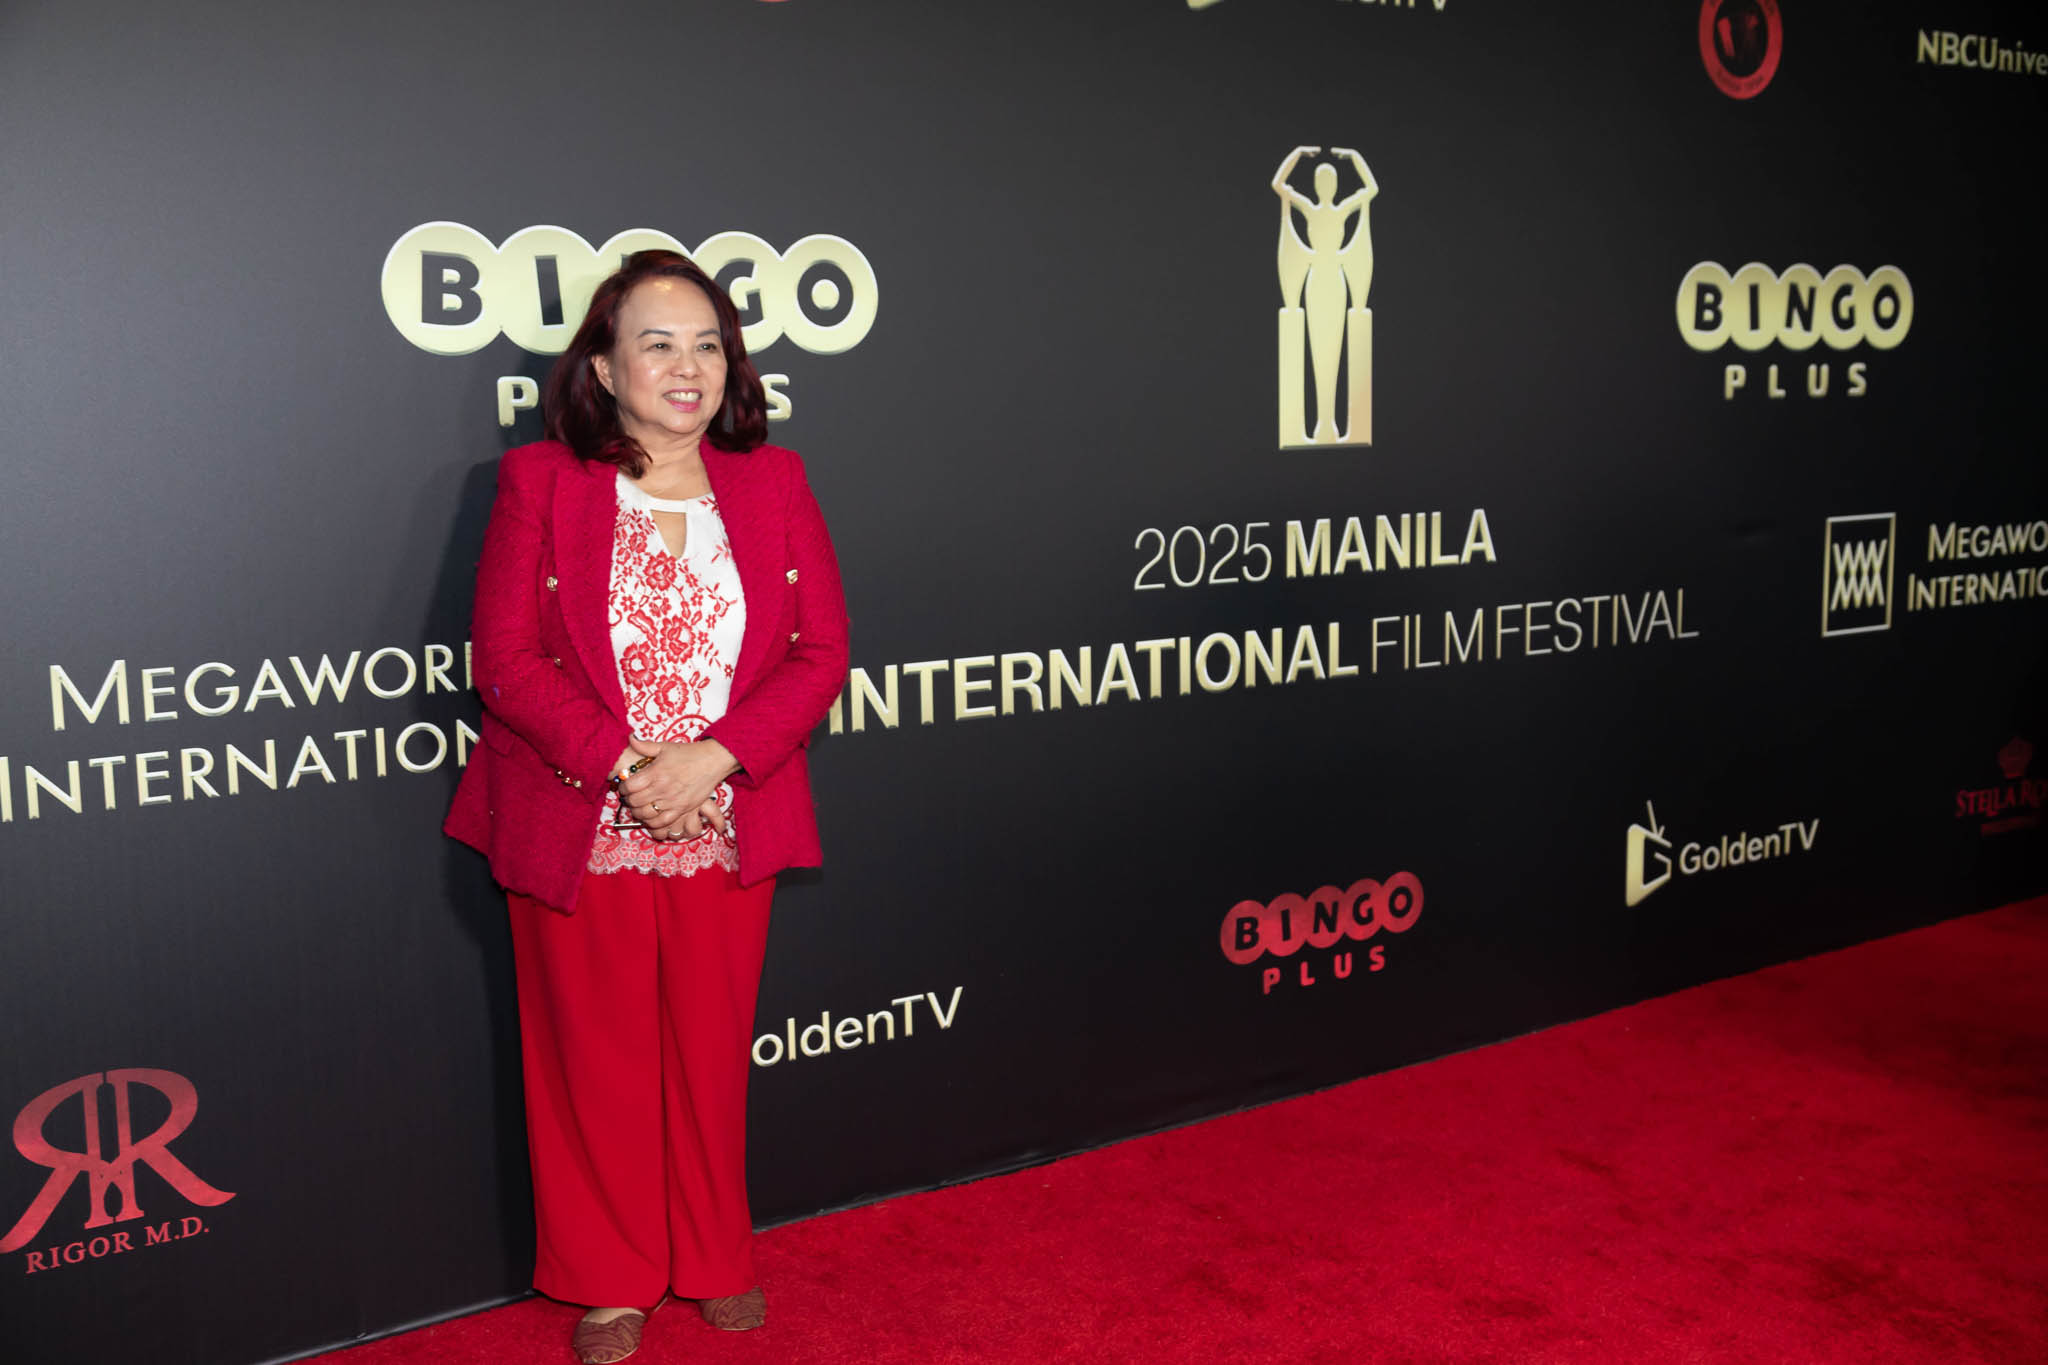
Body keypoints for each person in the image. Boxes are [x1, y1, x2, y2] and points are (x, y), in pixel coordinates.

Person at [444, 249, 849, 1364]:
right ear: (603, 367)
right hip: (581, 811)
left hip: (725, 808)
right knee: (593, 1057)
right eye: (657, 344)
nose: (687, 367)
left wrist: (709, 762)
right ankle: (609, 1277)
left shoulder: (775, 482)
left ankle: (715, 1254)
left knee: (708, 1051)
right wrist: (634, 769)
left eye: (707, 344)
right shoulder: (541, 482)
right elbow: (505, 660)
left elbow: (821, 653)